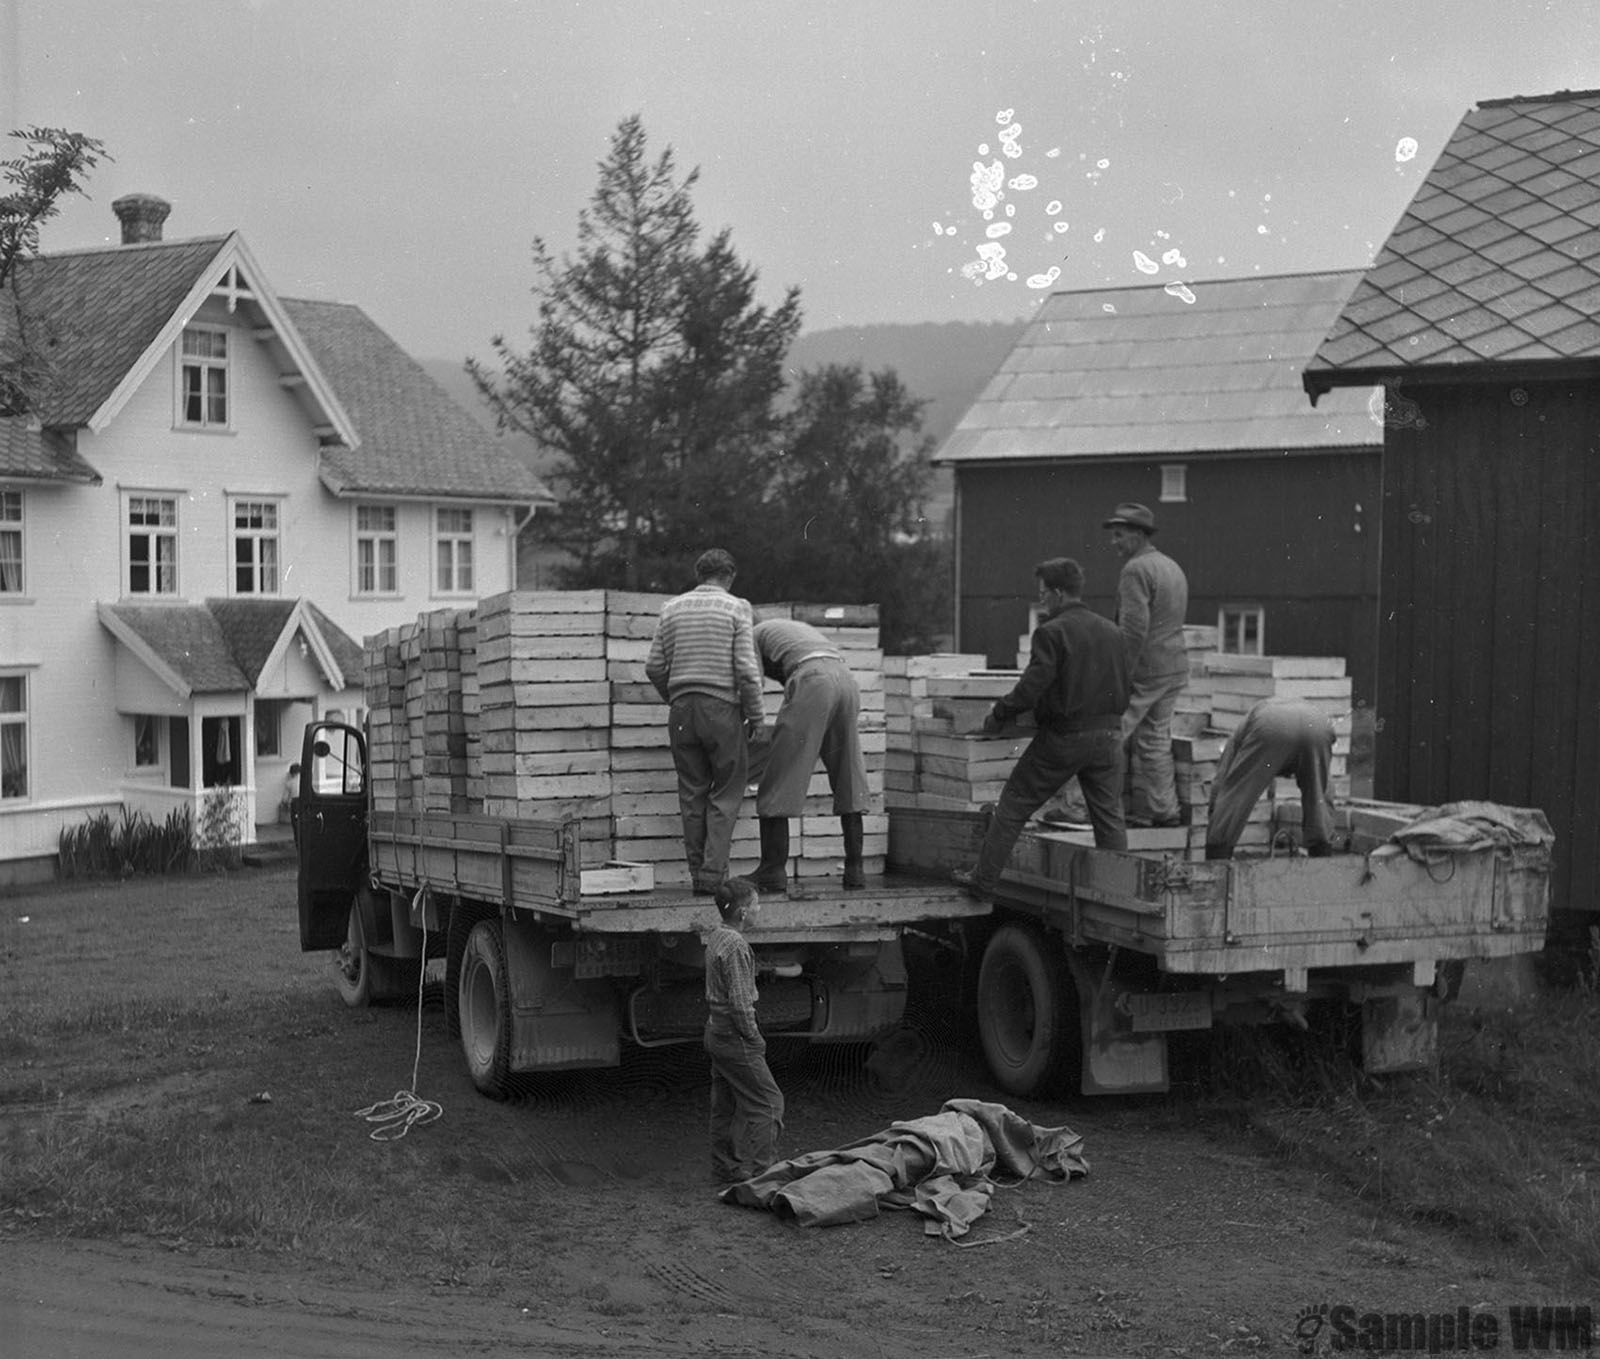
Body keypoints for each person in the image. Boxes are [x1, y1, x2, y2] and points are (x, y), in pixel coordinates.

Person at [952, 557, 1129, 902]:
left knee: (1014, 804)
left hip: (1066, 737)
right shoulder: (1114, 632)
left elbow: (1033, 686)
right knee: (1109, 821)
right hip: (1110, 736)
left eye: (1043, 594)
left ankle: (983, 882)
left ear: (1059, 593)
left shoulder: (1051, 632)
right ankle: (1120, 891)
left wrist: (1001, 712)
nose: (1042, 601)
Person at [646, 548, 768, 895]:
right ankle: (713, 878)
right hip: (722, 711)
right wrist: (757, 718)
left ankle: (698, 876)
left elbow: (653, 666)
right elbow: (746, 670)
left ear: (699, 575)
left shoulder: (671, 609)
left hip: (682, 711)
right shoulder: (736, 607)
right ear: (729, 576)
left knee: (692, 793)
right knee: (726, 793)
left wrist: (677, 698)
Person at [748, 617, 873, 894]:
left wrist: (751, 720)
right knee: (848, 771)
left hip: (814, 680)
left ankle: (772, 871)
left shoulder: (751, 634)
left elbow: (752, 681)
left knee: (781, 775)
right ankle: (855, 869)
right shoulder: (789, 630)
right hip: (845, 680)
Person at [1104, 501, 1189, 828]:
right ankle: (1165, 811)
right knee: (1154, 740)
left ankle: (1081, 807)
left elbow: (1134, 629)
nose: (1114, 542)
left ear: (1139, 535)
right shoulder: (1171, 566)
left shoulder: (1135, 570)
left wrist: (1118, 673)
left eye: (1120, 535)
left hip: (1145, 670)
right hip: (1174, 666)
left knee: (1108, 733)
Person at [704, 876, 785, 1185]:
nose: (759, 910)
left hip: (715, 1032)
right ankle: (767, 1175)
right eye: (755, 905)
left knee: (726, 1105)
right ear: (741, 913)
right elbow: (740, 1003)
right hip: (735, 1037)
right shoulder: (737, 945)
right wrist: (753, 1037)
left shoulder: (717, 936)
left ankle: (726, 1169)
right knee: (768, 1103)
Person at [1205, 697, 1337, 859]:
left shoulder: (1237, 739)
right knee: (1319, 796)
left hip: (1271, 726)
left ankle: (1217, 860)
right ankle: (1322, 860)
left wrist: (1214, 823)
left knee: (1236, 795)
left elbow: (1223, 785)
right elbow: (1326, 789)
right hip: (1317, 722)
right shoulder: (1252, 725)